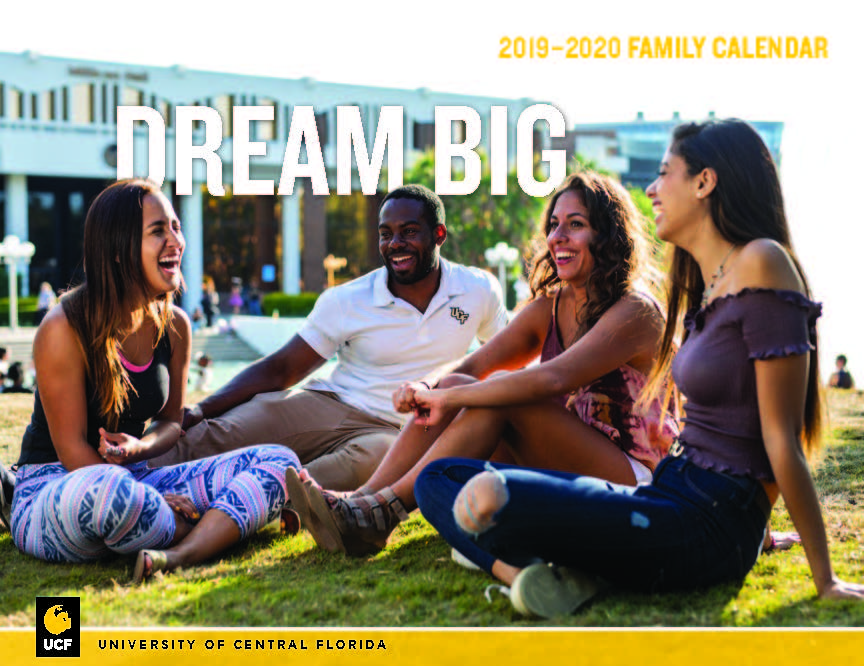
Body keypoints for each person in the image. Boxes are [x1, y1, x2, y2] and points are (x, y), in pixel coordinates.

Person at [411, 119, 864, 618]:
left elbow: (782, 437)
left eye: (665, 172)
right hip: (667, 492)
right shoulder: (706, 282)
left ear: (705, 182)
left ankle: (529, 558)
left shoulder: (763, 261)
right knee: (439, 479)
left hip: (711, 520)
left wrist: (826, 579)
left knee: (488, 494)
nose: (651, 188)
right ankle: (525, 573)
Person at [295, 171, 678, 558]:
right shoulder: (553, 305)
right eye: (553, 225)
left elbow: (552, 378)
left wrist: (457, 395)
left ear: (608, 235)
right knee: (457, 383)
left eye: (575, 225)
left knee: (502, 397)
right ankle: (363, 501)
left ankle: (383, 512)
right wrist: (428, 387)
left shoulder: (635, 311)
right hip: (574, 458)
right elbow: (474, 364)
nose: (557, 237)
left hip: (637, 478)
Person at [3, 179, 299, 583]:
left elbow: (171, 421)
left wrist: (140, 446)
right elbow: (72, 451)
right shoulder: (64, 326)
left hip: (138, 479)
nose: (175, 240)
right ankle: (218, 528)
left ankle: (184, 549)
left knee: (282, 464)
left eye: (176, 227)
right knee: (113, 495)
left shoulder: (175, 325)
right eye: (158, 230)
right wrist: (155, 498)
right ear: (120, 248)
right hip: (60, 486)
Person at [149, 184, 508, 492]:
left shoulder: (477, 290)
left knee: (350, 467)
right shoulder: (348, 299)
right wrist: (200, 409)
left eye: (409, 232)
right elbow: (283, 368)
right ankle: (122, 475)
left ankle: (246, 504)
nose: (395, 244)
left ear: (439, 235)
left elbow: (509, 357)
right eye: (386, 234)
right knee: (223, 433)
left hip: (403, 433)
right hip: (336, 404)